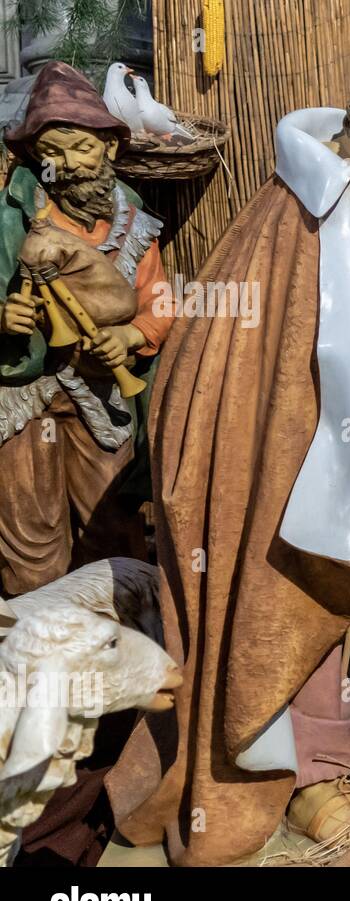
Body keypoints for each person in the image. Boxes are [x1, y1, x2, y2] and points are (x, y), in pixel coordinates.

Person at [106, 52, 350, 866]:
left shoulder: (296, 190)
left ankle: (234, 753)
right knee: (299, 593)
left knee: (235, 598)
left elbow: (315, 306)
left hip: (224, 433)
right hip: (283, 452)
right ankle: (303, 776)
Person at [0, 61, 174, 595]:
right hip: (26, 400)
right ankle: (34, 650)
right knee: (32, 538)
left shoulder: (134, 224)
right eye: (52, 150)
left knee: (111, 526)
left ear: (110, 149)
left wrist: (130, 335)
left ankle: (115, 644)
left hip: (101, 398)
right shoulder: (13, 220)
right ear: (33, 155)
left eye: (82, 147)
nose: (68, 164)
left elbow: (161, 304)